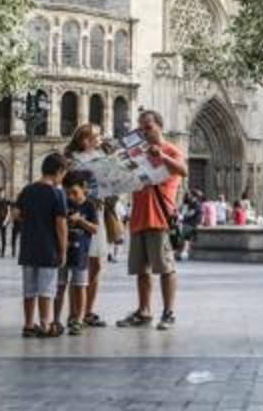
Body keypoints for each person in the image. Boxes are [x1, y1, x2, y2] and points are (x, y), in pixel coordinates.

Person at [117, 110, 187, 331]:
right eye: (141, 128)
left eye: (148, 127)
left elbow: (183, 170)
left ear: (159, 126)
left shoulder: (171, 150)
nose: (144, 132)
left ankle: (168, 312)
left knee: (166, 268)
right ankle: (144, 311)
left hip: (160, 217)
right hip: (138, 216)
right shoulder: (138, 152)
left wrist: (162, 156)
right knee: (141, 270)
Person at [65, 123, 134, 329]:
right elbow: (69, 187)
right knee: (79, 264)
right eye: (97, 135)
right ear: (85, 140)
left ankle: (88, 311)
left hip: (99, 213)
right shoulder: (73, 161)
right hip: (81, 214)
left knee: (96, 265)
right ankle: (74, 312)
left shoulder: (104, 157)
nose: (101, 138)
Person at [14, 152, 69, 338]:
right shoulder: (57, 193)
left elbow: (16, 214)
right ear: (59, 171)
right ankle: (45, 324)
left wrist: (30, 223)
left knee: (28, 289)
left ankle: (28, 324)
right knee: (46, 288)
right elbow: (61, 225)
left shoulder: (27, 190)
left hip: (28, 246)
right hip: (49, 248)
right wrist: (63, 250)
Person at [55, 172, 98, 335]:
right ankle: (56, 319)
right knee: (59, 286)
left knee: (80, 286)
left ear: (84, 189)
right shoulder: (63, 203)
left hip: (81, 253)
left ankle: (78, 319)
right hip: (63, 252)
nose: (71, 196)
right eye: (67, 193)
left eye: (75, 192)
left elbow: (95, 228)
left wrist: (80, 221)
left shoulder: (89, 205)